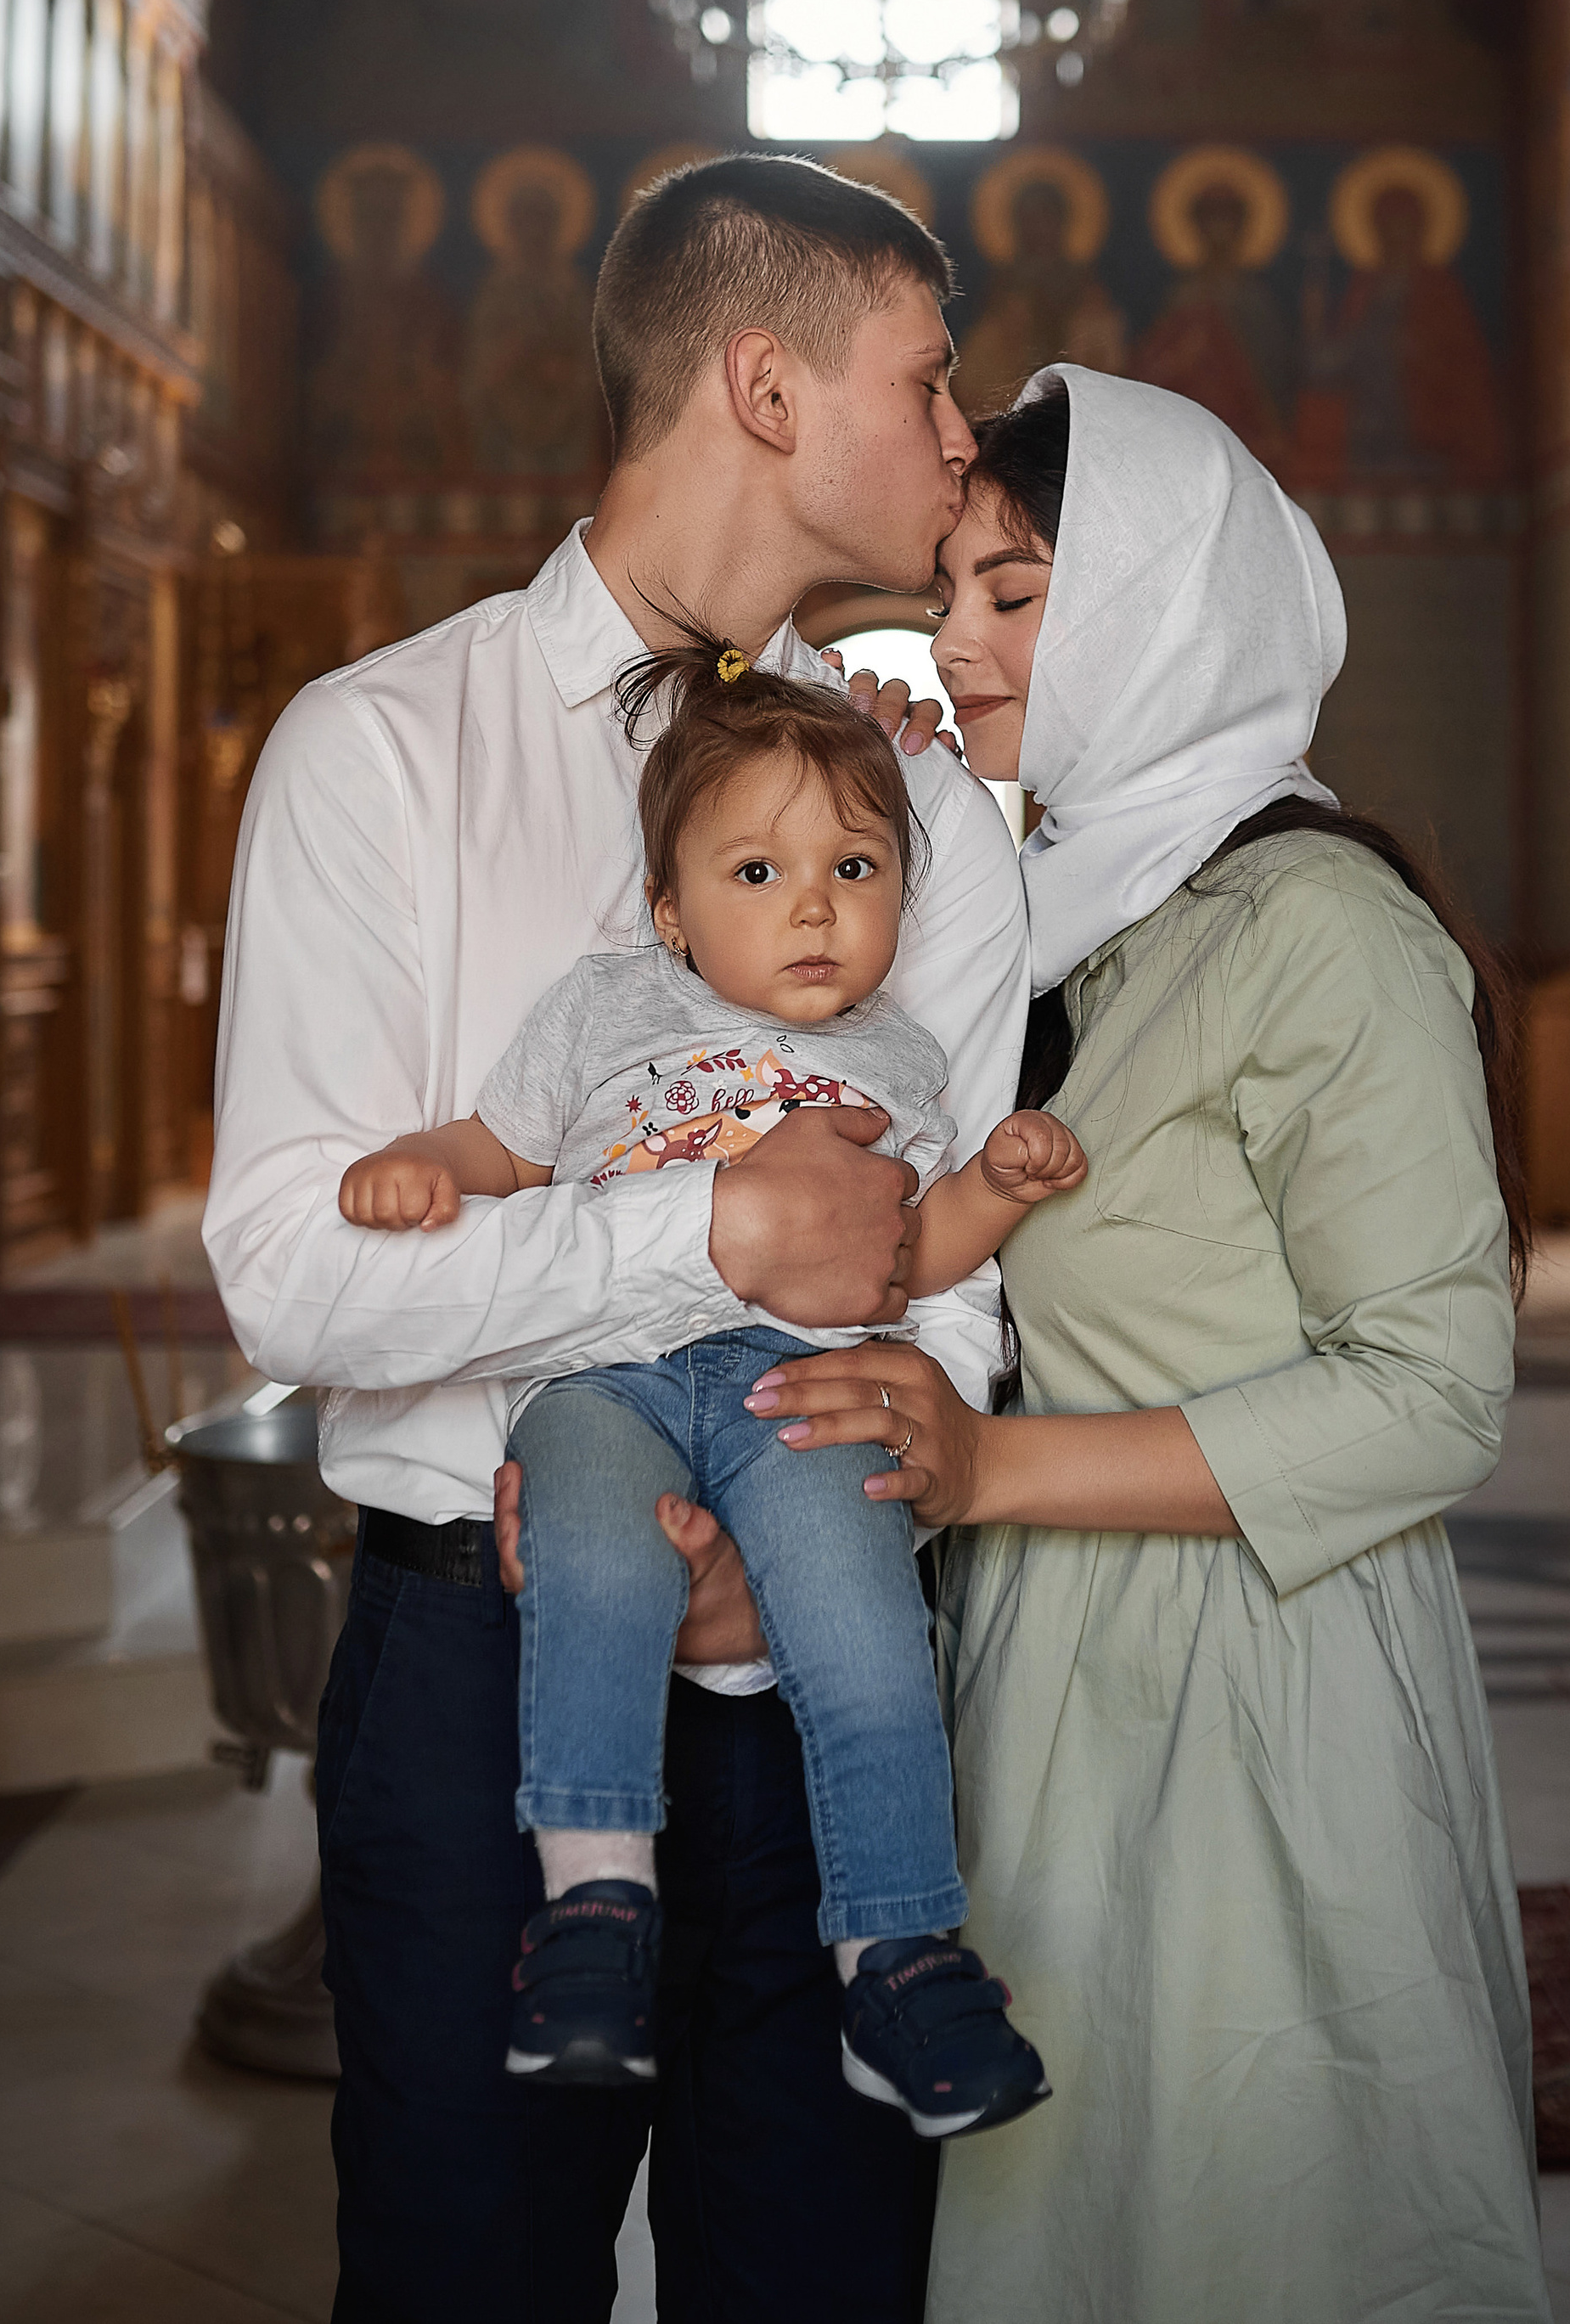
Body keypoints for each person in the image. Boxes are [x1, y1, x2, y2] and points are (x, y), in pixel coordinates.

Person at [203, 155, 1031, 2323]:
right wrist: (714, 1232)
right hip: (476, 1691)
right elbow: (295, 1272)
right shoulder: (378, 748)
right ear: (763, 384)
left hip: (821, 1680)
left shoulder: (917, 813)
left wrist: (825, 1502)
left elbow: (950, 1272)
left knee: (824, 2287)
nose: (961, 438)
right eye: (926, 378)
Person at [750, 367, 1551, 2321]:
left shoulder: (1314, 927)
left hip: (1257, 1692)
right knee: (1069, 2216)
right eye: (951, 589)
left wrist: (988, 1463)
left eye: (1011, 595)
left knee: (1239, 2200)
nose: (952, 642)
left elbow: (1432, 1391)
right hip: (1048, 1658)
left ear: (1164, 608)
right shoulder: (1065, 915)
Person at [336, 644, 1074, 2130]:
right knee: (596, 1564)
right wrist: (432, 1166)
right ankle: (597, 1907)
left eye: (854, 865)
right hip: (604, 1379)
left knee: (866, 1620)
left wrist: (991, 1181)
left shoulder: (904, 1058)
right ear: (670, 909)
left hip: (799, 1391)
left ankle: (896, 1951)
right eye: (756, 868)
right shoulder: (604, 1010)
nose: (812, 903)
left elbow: (908, 1258)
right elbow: (510, 1149)